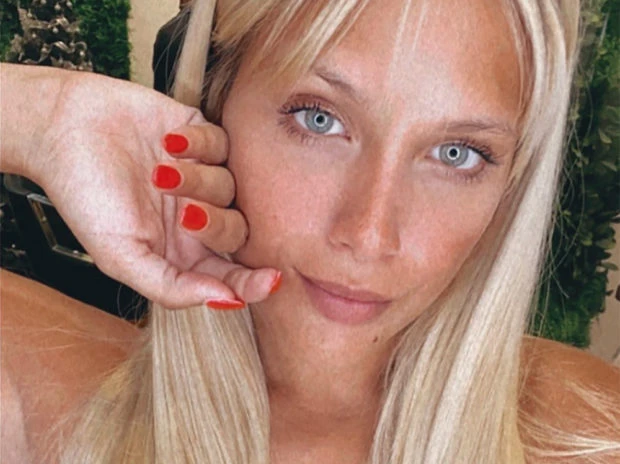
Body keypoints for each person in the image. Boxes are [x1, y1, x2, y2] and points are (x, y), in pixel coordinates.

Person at [1, 0, 619, 462]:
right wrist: (43, 115)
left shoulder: (592, 436)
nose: (369, 234)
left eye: (457, 154)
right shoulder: (39, 402)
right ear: (214, 96)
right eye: (319, 119)